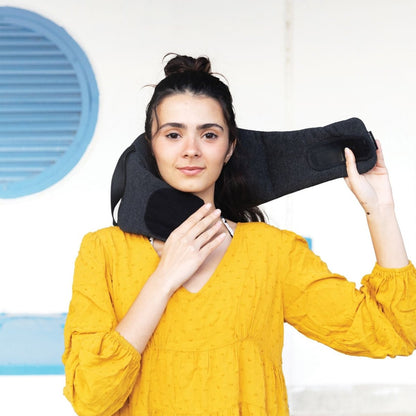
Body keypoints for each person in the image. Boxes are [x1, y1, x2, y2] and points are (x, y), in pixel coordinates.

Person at [63, 54, 416, 416]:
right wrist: (164, 279)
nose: (191, 149)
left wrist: (381, 210)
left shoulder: (270, 253)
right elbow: (92, 398)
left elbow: (393, 328)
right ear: (151, 147)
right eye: (173, 134)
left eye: (209, 134)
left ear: (230, 147)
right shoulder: (104, 252)